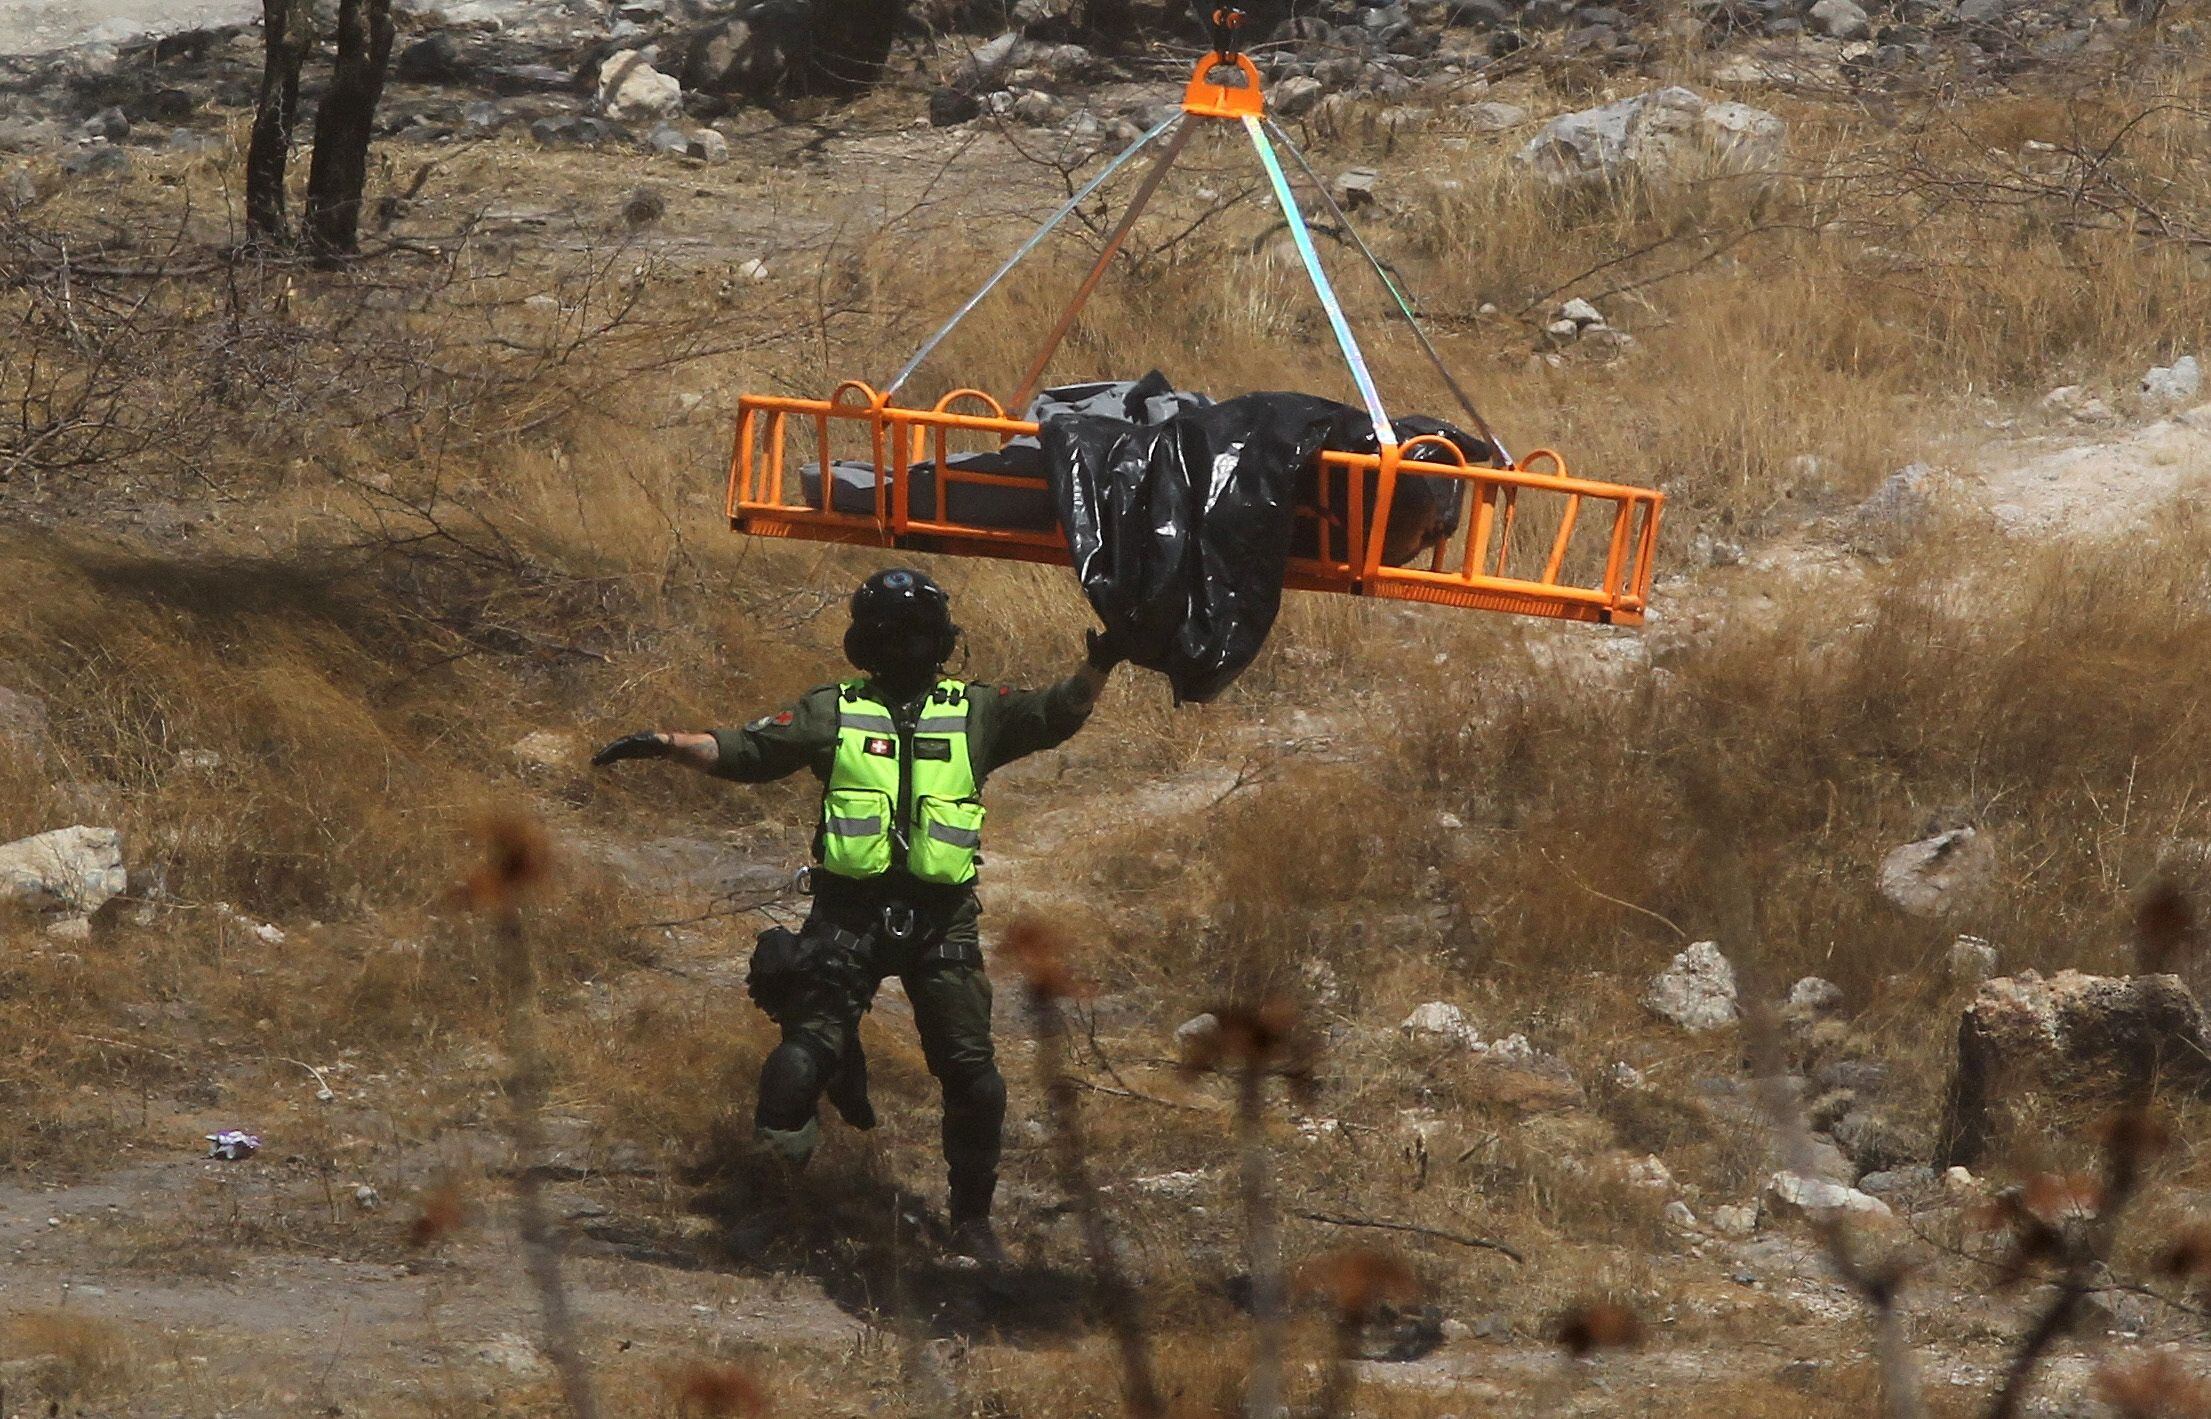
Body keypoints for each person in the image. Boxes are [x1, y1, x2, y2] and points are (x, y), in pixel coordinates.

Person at [591, 568, 1124, 1263]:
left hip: (941, 920)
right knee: (796, 1063)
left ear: (940, 640)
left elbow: (1058, 712)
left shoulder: (976, 710)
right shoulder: (832, 710)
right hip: (848, 914)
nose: (906, 644)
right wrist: (665, 743)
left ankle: (970, 1221)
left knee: (974, 1076)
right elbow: (747, 750)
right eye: (890, 632)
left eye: (918, 631)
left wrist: (1101, 660)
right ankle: (775, 1206)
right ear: (865, 642)